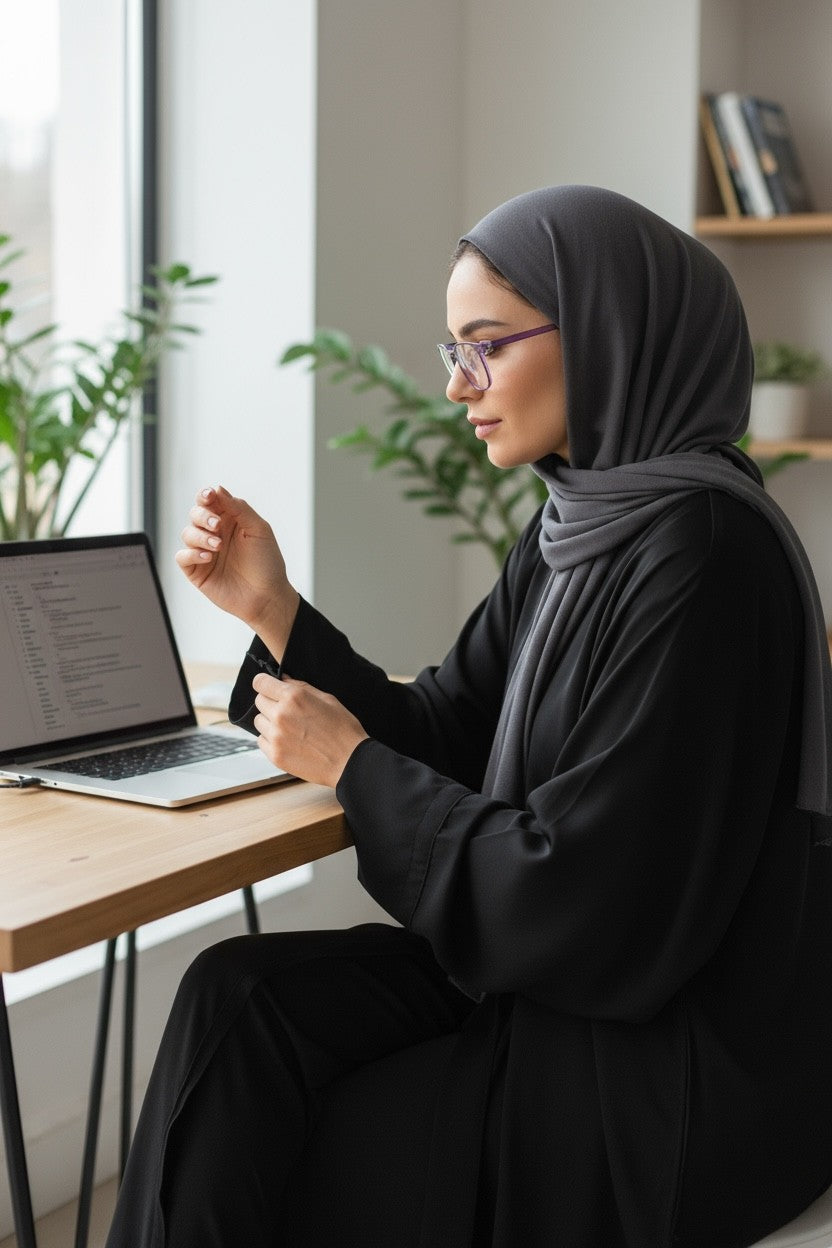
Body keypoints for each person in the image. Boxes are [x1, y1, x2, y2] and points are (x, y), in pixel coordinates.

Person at [106, 186, 832, 1248]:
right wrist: (276, 612)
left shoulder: (705, 558)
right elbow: (448, 732)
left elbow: (593, 897)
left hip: (652, 1070)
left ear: (606, 333)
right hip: (554, 990)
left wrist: (354, 767)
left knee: (275, 1140)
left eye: (485, 347)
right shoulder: (578, 528)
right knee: (238, 998)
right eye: (454, 351)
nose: (456, 385)